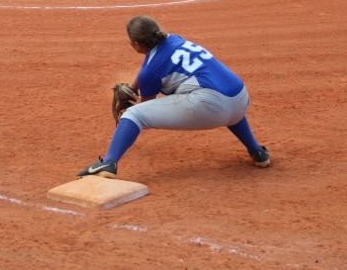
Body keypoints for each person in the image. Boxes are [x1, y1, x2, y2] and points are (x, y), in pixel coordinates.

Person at [77, 15, 270, 178]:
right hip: (241, 98)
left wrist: (131, 104)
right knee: (228, 104)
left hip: (211, 106)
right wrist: (133, 87)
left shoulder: (150, 72)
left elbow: (146, 105)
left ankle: (109, 162)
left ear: (135, 44)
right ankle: (257, 151)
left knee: (134, 115)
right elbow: (149, 65)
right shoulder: (175, 39)